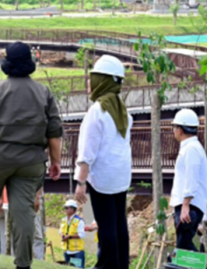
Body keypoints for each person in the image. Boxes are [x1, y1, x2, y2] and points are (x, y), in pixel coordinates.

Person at [0, 41, 63, 269]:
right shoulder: (44, 92)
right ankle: (23, 263)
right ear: (30, 63)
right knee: (23, 210)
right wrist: (56, 162)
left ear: (6, 63)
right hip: (31, 161)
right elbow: (54, 133)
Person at [74, 55, 132, 269]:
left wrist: (80, 182)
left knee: (107, 226)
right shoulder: (122, 109)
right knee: (118, 224)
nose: (89, 83)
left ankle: (106, 265)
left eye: (93, 78)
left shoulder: (97, 111)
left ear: (103, 81)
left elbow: (87, 152)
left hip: (103, 178)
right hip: (120, 177)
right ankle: (119, 265)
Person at [169, 109, 207, 252]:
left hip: (190, 205)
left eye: (174, 127)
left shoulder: (191, 149)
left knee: (183, 245)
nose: (173, 130)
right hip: (189, 204)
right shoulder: (191, 147)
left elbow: (191, 177)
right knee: (183, 245)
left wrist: (186, 205)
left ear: (180, 129)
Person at [60, 200, 86, 268]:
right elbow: (60, 231)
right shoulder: (63, 220)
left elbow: (82, 234)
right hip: (67, 251)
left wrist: (69, 237)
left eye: (66, 208)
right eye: (65, 208)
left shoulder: (79, 221)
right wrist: (62, 235)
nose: (65, 210)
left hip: (76, 253)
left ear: (72, 209)